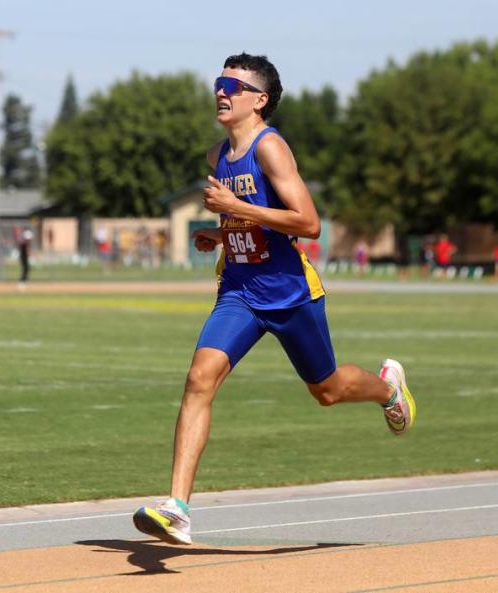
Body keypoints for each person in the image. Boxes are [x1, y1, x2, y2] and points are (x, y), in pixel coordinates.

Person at [131, 53, 417, 546]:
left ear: (259, 101)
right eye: (219, 83)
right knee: (199, 378)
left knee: (326, 390)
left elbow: (308, 223)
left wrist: (234, 207)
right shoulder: (215, 155)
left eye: (233, 86)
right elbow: (250, 220)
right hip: (239, 291)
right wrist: (221, 236)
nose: (221, 92)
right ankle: (177, 507)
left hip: (289, 294)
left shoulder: (271, 149)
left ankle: (388, 390)